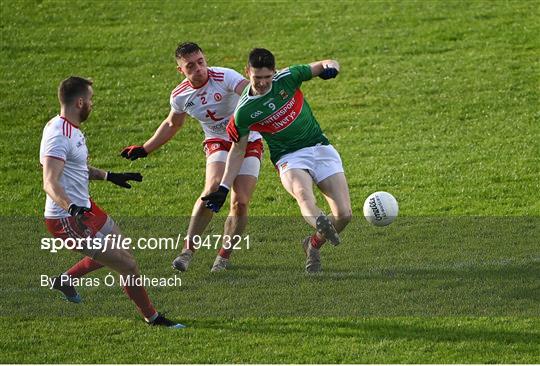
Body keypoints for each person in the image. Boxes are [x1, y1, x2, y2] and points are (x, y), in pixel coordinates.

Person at [41, 76, 184, 328]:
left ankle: (65, 280)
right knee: (128, 265)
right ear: (80, 102)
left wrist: (110, 176)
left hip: (85, 207)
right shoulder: (58, 135)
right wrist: (72, 208)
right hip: (68, 218)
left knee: (121, 248)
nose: (93, 105)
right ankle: (152, 317)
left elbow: (77, 168)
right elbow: (50, 182)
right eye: (91, 100)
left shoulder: (68, 128)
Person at [202, 48, 352, 273]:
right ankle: (319, 220)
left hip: (319, 147)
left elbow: (325, 62)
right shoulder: (244, 111)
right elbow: (238, 149)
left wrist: (332, 68)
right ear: (247, 72)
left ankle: (312, 245)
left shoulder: (288, 77)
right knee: (303, 194)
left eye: (267, 77)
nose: (262, 83)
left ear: (274, 71)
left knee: (344, 215)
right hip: (288, 157)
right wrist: (223, 187)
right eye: (256, 78)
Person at [120, 42, 263, 272]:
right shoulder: (180, 96)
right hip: (217, 140)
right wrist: (145, 148)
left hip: (248, 138)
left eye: (201, 62)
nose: (199, 68)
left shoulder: (225, 76)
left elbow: (251, 93)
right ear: (181, 71)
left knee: (241, 201)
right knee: (211, 189)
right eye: (190, 66)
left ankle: (224, 256)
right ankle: (187, 251)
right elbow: (172, 123)